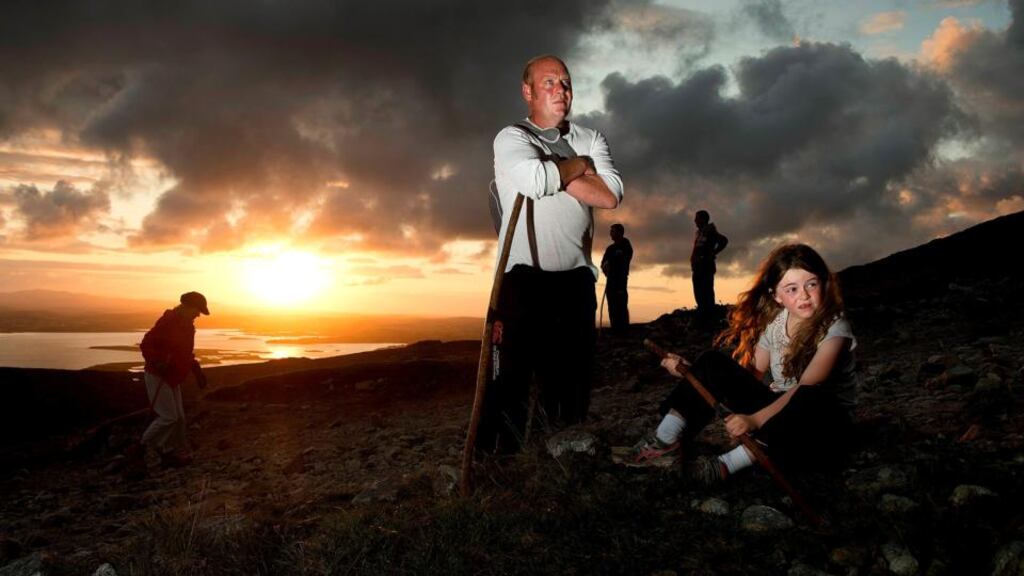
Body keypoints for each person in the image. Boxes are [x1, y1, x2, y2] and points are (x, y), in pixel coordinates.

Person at [478, 54, 624, 453]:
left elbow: (610, 195)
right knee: (508, 382)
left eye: (565, 83)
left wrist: (560, 166)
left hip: (576, 281)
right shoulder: (512, 137)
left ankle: (562, 465)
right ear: (527, 91)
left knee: (570, 383)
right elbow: (534, 179)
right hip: (522, 279)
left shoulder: (590, 138)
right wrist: (579, 167)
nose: (561, 90)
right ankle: (496, 471)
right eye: (549, 83)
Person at [618, 244, 857, 484]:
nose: (803, 295)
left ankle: (725, 465)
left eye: (811, 284)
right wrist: (693, 374)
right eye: (792, 289)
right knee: (712, 362)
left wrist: (754, 420)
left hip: (819, 429)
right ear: (777, 295)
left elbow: (804, 387)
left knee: (809, 394)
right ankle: (663, 442)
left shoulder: (836, 329)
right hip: (778, 416)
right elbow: (749, 376)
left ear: (824, 284)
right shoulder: (776, 326)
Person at [127, 291, 210, 471]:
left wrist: (197, 371)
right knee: (169, 417)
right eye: (197, 310)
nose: (198, 315)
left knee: (178, 418)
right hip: (158, 375)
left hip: (172, 377)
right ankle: (140, 448)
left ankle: (169, 453)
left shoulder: (187, 327)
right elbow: (146, 345)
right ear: (186, 307)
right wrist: (158, 361)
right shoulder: (168, 322)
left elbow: (185, 354)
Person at [690, 209, 728, 324]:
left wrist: (713, 253)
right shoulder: (699, 232)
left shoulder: (710, 231)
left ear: (703, 219)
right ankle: (703, 314)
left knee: (706, 291)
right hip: (697, 267)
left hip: (706, 267)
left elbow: (724, 241)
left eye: (697, 218)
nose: (695, 220)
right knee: (698, 291)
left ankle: (709, 317)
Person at [601, 223, 633, 335]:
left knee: (621, 305)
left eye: (612, 231)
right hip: (611, 282)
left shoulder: (626, 245)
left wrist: (613, 261)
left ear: (619, 232)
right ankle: (615, 329)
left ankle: (623, 330)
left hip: (620, 281)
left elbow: (625, 259)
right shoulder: (610, 248)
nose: (610, 234)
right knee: (612, 306)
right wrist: (605, 267)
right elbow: (603, 264)